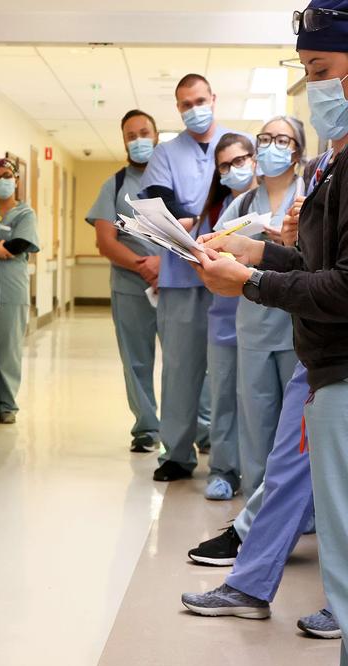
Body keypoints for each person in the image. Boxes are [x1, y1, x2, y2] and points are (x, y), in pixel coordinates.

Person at [193, 6, 348, 666]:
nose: (313, 92)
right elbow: (318, 266)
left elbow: (346, 288)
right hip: (330, 374)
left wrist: (250, 277)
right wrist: (259, 253)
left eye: (321, 74)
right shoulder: (338, 164)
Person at [139, 73, 246, 483]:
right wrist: (183, 216)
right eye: (185, 104)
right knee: (180, 370)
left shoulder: (236, 144)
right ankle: (177, 454)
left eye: (200, 100)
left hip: (234, 278)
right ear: (178, 108)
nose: (194, 109)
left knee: (229, 375)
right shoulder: (167, 152)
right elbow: (159, 201)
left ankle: (229, 458)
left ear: (213, 99)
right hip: (182, 278)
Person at [228, 117, 304, 500]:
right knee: (256, 418)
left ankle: (296, 507)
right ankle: (255, 502)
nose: (272, 145)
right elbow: (216, 246)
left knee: (294, 425)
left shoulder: (312, 194)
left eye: (282, 139)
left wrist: (284, 245)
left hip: (296, 326)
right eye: (265, 139)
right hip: (254, 323)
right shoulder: (242, 201)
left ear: (297, 151)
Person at [86, 109, 163, 453]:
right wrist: (143, 266)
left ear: (157, 135)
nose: (138, 140)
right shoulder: (115, 184)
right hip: (130, 285)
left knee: (185, 360)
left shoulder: (172, 178)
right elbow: (105, 241)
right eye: (130, 136)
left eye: (143, 132)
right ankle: (147, 428)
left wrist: (166, 266)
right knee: (136, 359)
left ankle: (198, 429)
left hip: (175, 284)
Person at [196, 133, 258, 501]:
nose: (233, 170)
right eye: (224, 165)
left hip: (266, 316)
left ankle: (258, 475)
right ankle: (222, 469)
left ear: (253, 159)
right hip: (224, 317)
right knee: (222, 396)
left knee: (258, 402)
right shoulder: (220, 213)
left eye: (239, 161)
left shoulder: (277, 202)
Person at [0, 157, 39, 426]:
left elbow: (19, 244)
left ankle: (7, 404)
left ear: (16, 180)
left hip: (12, 290)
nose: (2, 180)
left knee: (8, 349)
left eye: (7, 175)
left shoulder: (25, 213)